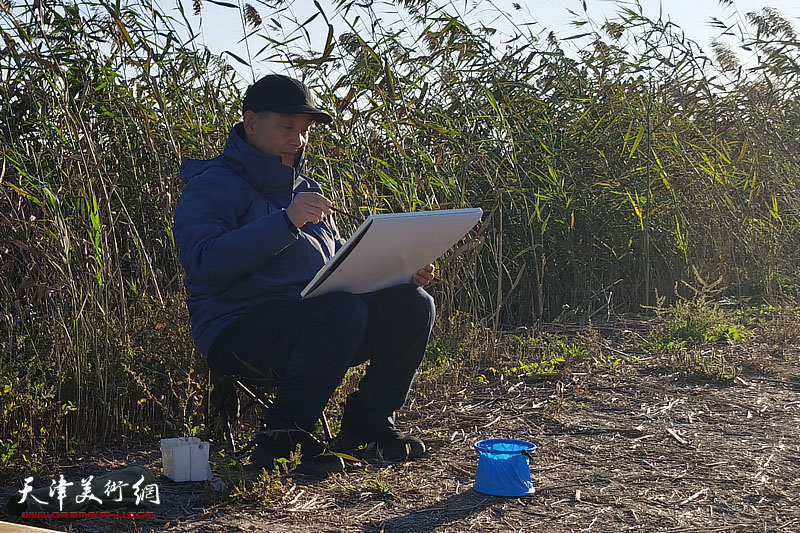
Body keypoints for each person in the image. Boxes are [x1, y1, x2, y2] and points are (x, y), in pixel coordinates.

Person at [173, 74, 436, 474]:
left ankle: (366, 429)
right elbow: (206, 264)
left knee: (412, 304)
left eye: (305, 130)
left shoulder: (305, 187)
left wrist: (397, 270)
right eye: (287, 127)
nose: (298, 139)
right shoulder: (210, 186)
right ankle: (282, 441)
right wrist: (285, 222)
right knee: (341, 310)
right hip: (238, 330)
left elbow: (339, 262)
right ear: (250, 122)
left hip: (320, 320)